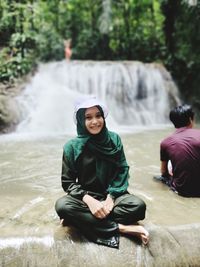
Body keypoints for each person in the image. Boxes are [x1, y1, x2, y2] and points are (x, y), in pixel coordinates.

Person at [55, 95, 149, 248]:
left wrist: (111, 198)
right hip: (85, 198)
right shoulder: (71, 147)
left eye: (98, 115)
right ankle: (121, 228)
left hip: (114, 196)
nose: (95, 121)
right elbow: (68, 182)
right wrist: (90, 201)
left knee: (138, 206)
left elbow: (122, 170)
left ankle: (80, 219)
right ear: (81, 120)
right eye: (88, 117)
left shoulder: (114, 139)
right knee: (62, 206)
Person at [157, 104, 200, 197]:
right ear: (190, 119)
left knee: (159, 177)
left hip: (183, 190)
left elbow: (163, 172)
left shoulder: (165, 142)